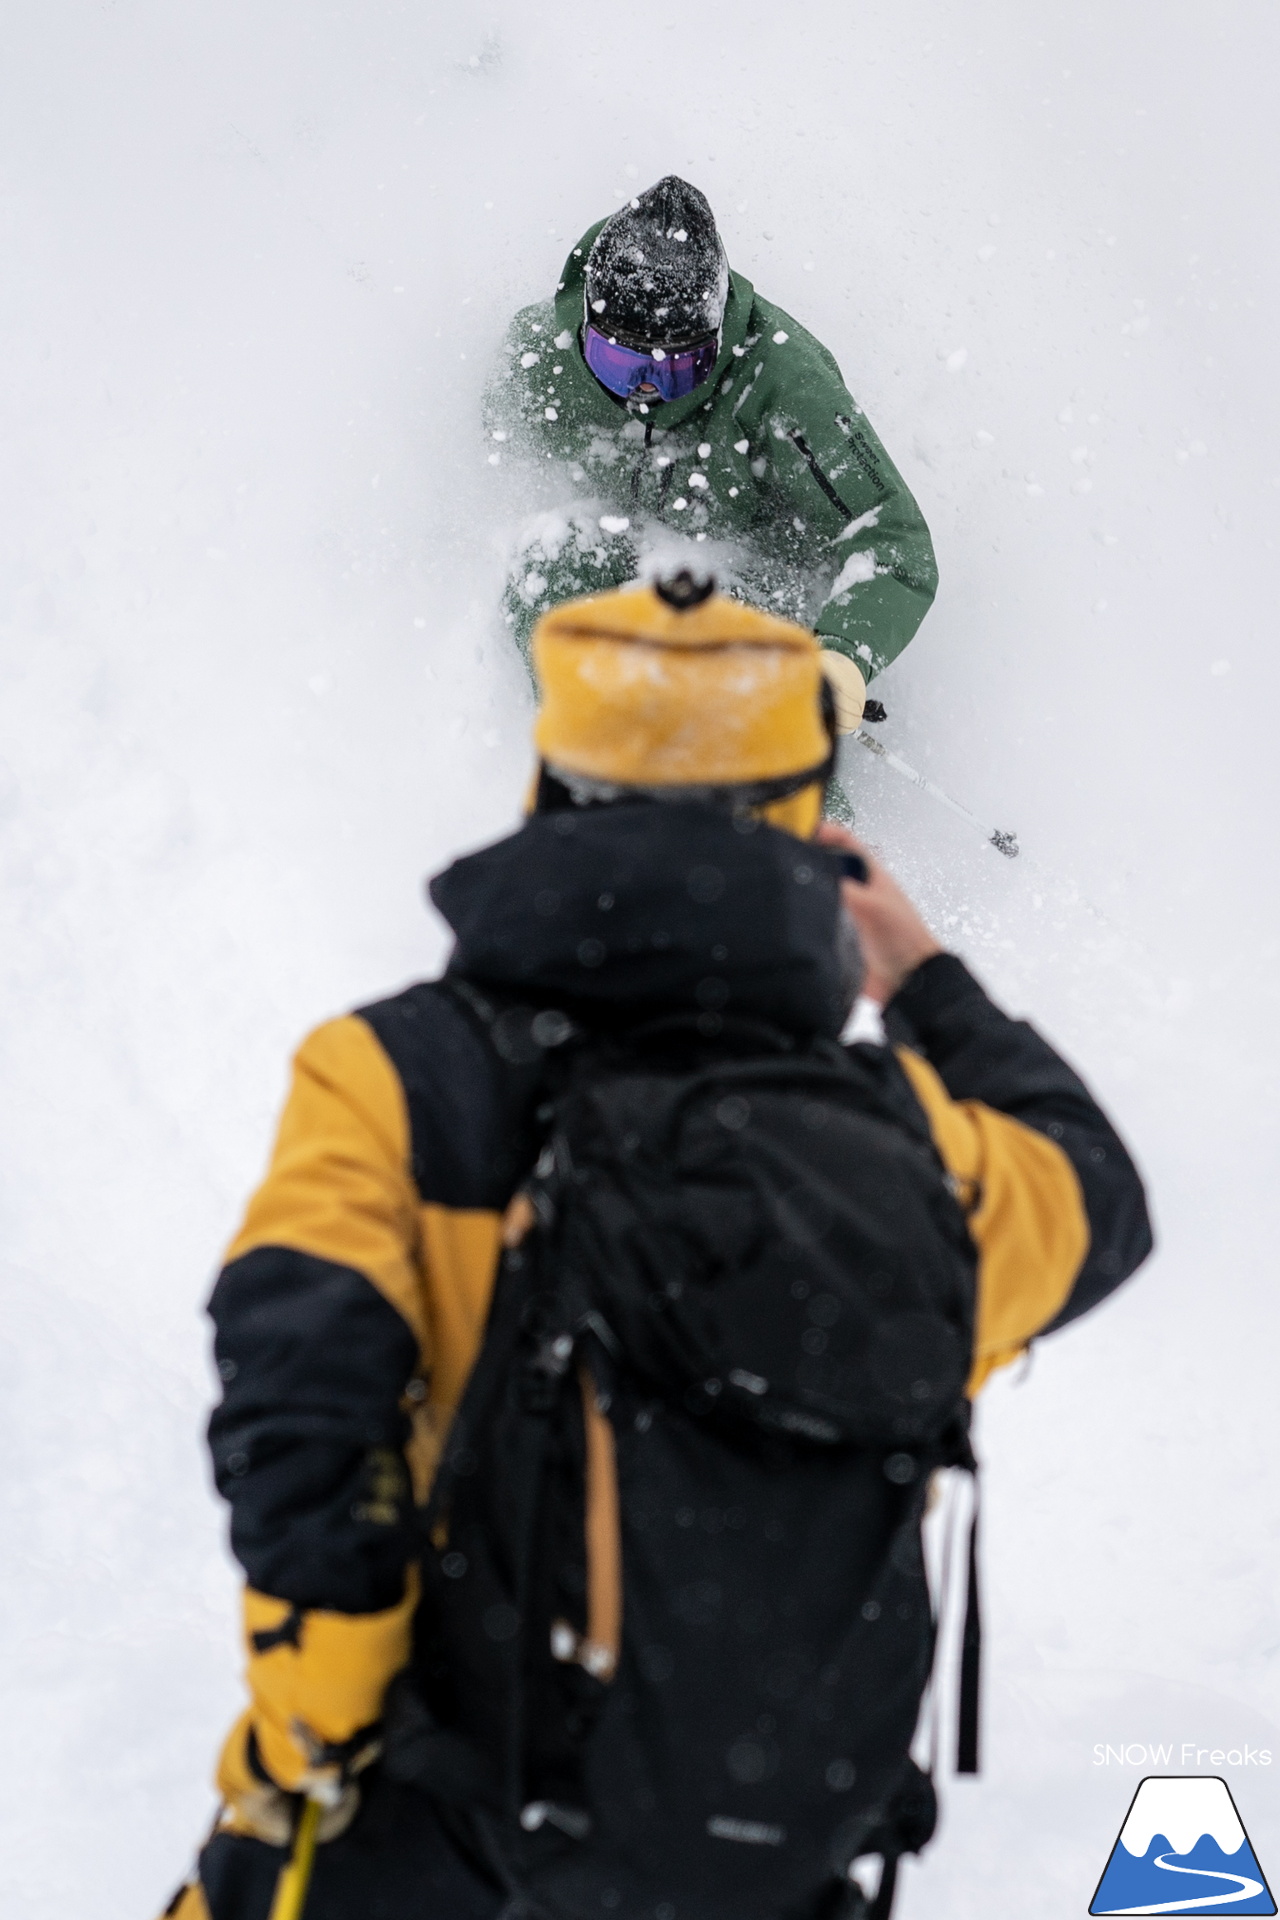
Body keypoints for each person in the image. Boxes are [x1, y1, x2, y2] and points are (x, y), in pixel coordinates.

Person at [160, 578, 1151, 1920]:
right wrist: (922, 977)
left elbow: (304, 1426)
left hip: (456, 1836)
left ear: (552, 786)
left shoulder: (391, 1078)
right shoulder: (902, 1146)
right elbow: (1097, 1195)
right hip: (764, 1865)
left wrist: (309, 1756)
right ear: (808, 828)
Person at [486, 176, 938, 741]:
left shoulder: (783, 387)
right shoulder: (542, 359)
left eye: (676, 367)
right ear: (585, 326)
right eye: (620, 363)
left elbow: (893, 539)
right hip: (629, 538)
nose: (644, 392)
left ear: (715, 337)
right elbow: (493, 459)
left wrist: (845, 652)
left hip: (754, 575)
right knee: (546, 565)